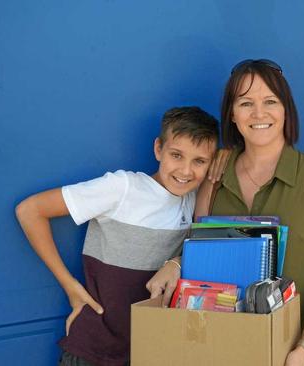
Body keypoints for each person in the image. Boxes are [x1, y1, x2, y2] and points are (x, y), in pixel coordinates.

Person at [15, 106, 218, 366]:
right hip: (93, 350)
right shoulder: (123, 188)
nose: (186, 171)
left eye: (199, 161)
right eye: (176, 155)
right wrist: (70, 287)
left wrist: (176, 261)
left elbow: (204, 243)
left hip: (148, 352)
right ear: (158, 149)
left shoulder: (191, 200)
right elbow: (30, 211)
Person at [195, 59, 304, 366]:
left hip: (291, 355)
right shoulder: (213, 178)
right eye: (246, 103)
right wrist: (173, 263)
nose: (259, 113)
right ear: (232, 115)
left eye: (270, 102)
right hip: (219, 351)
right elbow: (196, 263)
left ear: (285, 110)